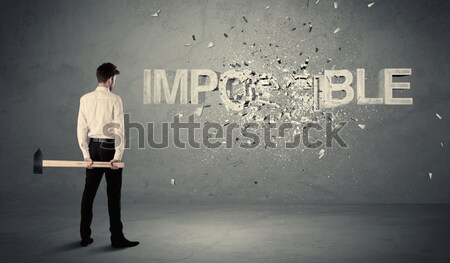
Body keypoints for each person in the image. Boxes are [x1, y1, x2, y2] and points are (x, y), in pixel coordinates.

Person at [77, 62, 139, 248]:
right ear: (110, 79)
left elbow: (82, 128)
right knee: (113, 195)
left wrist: (86, 154)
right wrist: (117, 155)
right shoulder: (115, 99)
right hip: (110, 147)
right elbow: (119, 129)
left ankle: (84, 237)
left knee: (89, 193)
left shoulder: (85, 99)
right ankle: (116, 238)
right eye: (114, 79)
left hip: (94, 147)